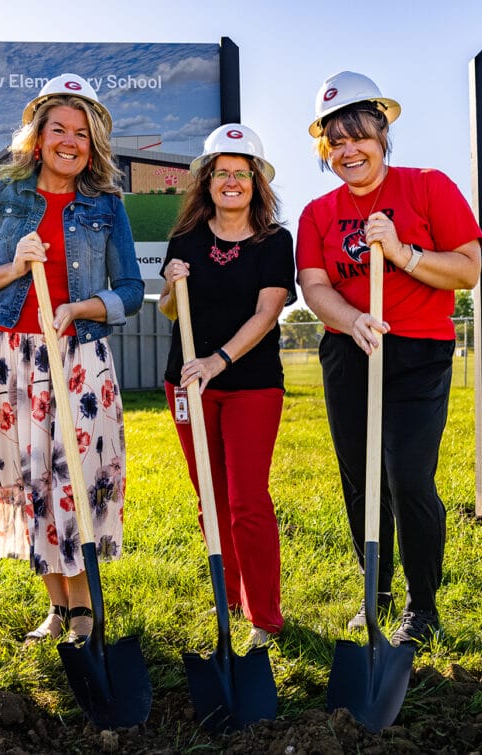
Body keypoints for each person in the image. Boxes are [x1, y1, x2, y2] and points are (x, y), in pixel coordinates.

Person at [0, 73, 143, 644]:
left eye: (82, 133)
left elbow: (130, 288)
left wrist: (82, 306)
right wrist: (14, 265)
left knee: (76, 478)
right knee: (32, 478)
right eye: (58, 128)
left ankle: (84, 607)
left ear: (93, 144)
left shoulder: (107, 204)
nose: (70, 141)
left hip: (79, 357)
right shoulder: (0, 196)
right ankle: (57, 607)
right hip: (10, 356)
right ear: (37, 136)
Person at [296, 71, 482, 648]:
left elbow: (467, 268)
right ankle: (374, 591)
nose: (349, 150)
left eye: (360, 137)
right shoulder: (318, 213)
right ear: (325, 149)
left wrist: (401, 252)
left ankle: (421, 609)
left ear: (382, 137)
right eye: (337, 141)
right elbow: (314, 284)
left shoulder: (428, 187)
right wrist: (351, 321)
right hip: (350, 349)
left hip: (418, 350)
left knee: (407, 477)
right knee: (361, 480)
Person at [158, 124, 295, 649]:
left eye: (242, 173)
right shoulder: (186, 238)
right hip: (187, 386)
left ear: (257, 182)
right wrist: (171, 286)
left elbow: (267, 313)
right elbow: (171, 312)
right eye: (222, 174)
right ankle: (232, 596)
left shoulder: (274, 241)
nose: (232, 182)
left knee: (247, 500)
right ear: (207, 181)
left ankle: (265, 617)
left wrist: (217, 360)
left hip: (250, 385)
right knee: (209, 498)